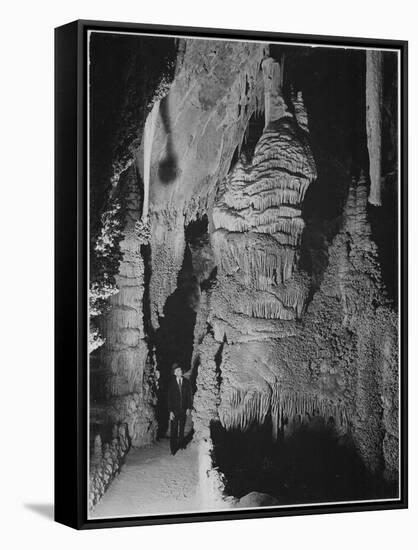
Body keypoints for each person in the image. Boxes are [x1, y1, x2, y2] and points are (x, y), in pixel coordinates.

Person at [167, 363, 192, 455]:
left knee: (181, 428)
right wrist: (170, 411)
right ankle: (173, 449)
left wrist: (189, 407)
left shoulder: (186, 382)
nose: (180, 371)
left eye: (180, 370)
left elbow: (189, 396)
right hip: (174, 410)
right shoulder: (171, 383)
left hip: (183, 409)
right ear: (174, 373)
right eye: (178, 370)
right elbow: (169, 398)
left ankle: (181, 444)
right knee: (174, 430)